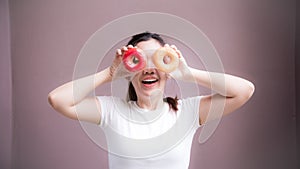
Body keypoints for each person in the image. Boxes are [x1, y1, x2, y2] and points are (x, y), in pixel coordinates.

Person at [48, 32, 255, 169]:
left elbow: (244, 90)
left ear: (167, 70)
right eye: (139, 61)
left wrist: (187, 73)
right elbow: (58, 99)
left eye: (156, 59)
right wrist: (109, 74)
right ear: (129, 72)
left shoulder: (188, 112)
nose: (148, 68)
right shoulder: (112, 111)